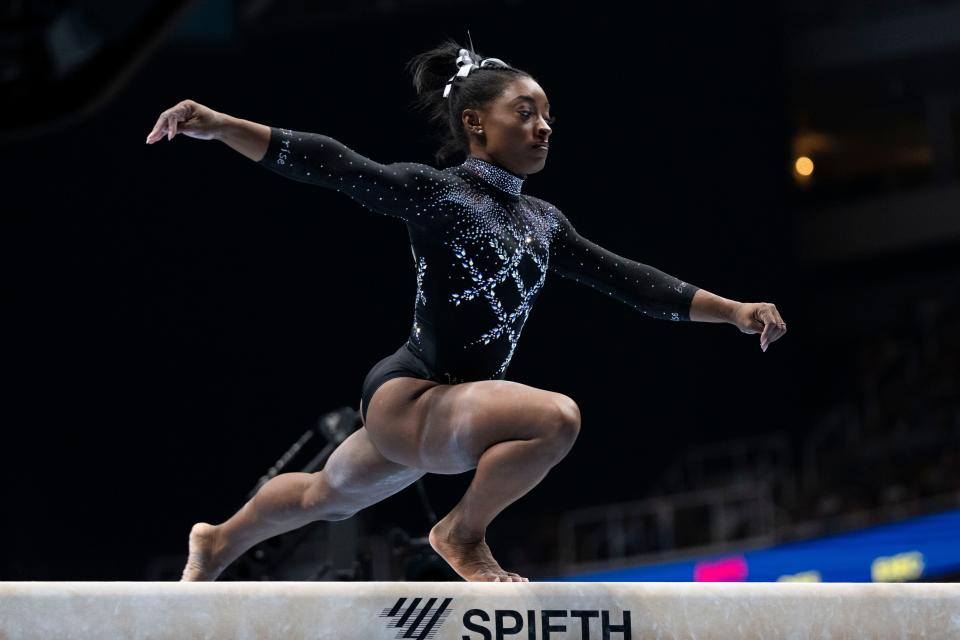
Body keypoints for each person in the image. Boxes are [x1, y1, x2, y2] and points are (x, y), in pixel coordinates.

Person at [145, 39, 787, 583]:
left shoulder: (544, 222)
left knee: (326, 496)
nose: (544, 126)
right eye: (525, 112)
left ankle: (218, 539)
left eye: (548, 116)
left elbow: (632, 281)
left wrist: (734, 311)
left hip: (451, 411)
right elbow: (334, 164)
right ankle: (461, 532)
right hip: (413, 394)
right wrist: (224, 125)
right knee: (554, 419)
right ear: (477, 123)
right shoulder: (439, 194)